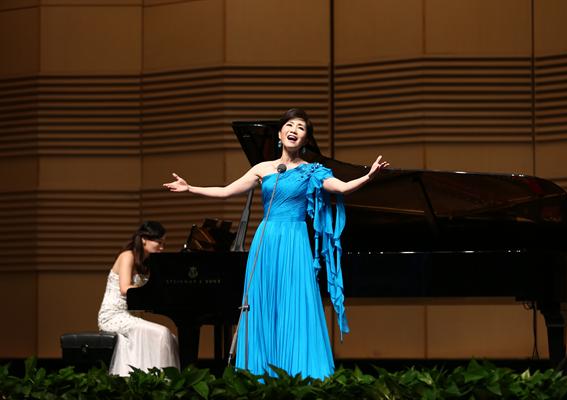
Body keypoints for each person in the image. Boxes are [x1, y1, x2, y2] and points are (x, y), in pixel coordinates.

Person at [163, 108, 388, 379]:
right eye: (289, 125)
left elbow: (341, 188)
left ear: (306, 139)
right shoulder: (263, 168)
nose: (294, 130)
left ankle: (297, 371)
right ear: (280, 134)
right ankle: (260, 371)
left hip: (295, 241)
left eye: (301, 127)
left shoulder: (312, 171)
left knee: (295, 302)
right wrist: (190, 188)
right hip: (266, 240)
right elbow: (226, 191)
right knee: (263, 302)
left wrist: (368, 177)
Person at [97, 221, 180, 376]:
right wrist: (152, 291)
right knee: (163, 334)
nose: (162, 248)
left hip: (131, 317)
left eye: (164, 244)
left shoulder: (147, 263)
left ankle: (159, 382)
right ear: (144, 239)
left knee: (171, 337)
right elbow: (125, 289)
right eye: (159, 243)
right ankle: (162, 381)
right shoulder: (127, 256)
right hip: (113, 316)